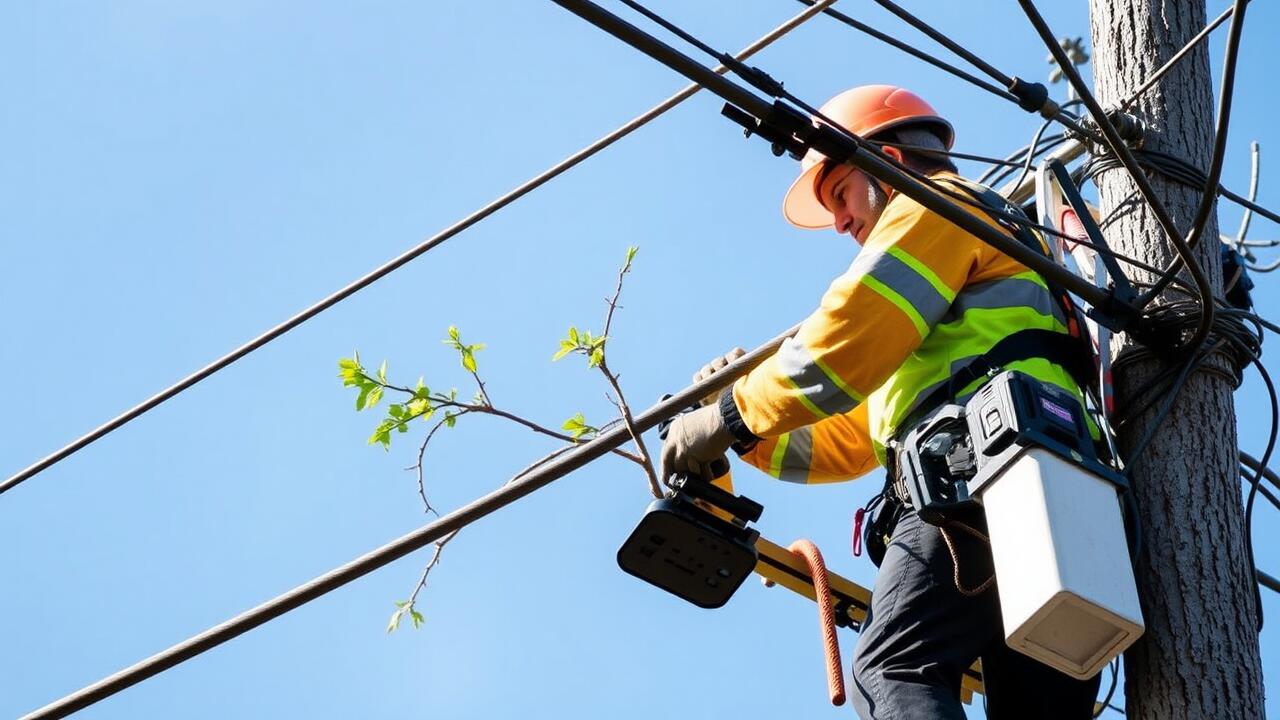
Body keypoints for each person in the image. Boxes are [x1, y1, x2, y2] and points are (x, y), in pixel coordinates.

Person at [658, 85, 1102, 719]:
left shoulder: (936, 204)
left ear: (888, 164)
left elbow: (838, 349)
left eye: (840, 193)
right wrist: (742, 434)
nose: (840, 222)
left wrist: (727, 413)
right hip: (1056, 495)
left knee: (890, 668)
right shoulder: (954, 316)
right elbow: (849, 438)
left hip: (978, 475)